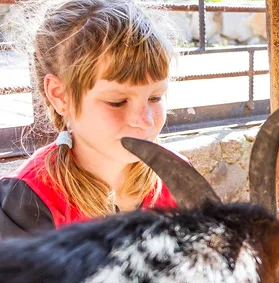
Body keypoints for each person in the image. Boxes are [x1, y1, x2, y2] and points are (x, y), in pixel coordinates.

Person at [0, 0, 183, 239]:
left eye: (156, 97)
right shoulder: (27, 203)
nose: (145, 121)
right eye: (117, 101)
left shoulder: (178, 178)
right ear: (59, 95)